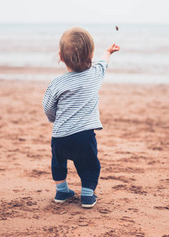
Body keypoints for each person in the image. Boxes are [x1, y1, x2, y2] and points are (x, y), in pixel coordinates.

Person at [42, 27, 120, 208]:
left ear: (61, 57)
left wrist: (55, 119)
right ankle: (87, 195)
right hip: (84, 137)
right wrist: (108, 52)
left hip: (60, 137)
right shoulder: (94, 75)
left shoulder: (57, 83)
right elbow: (103, 63)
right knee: (89, 164)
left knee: (58, 162)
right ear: (91, 55)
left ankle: (61, 191)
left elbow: (48, 108)